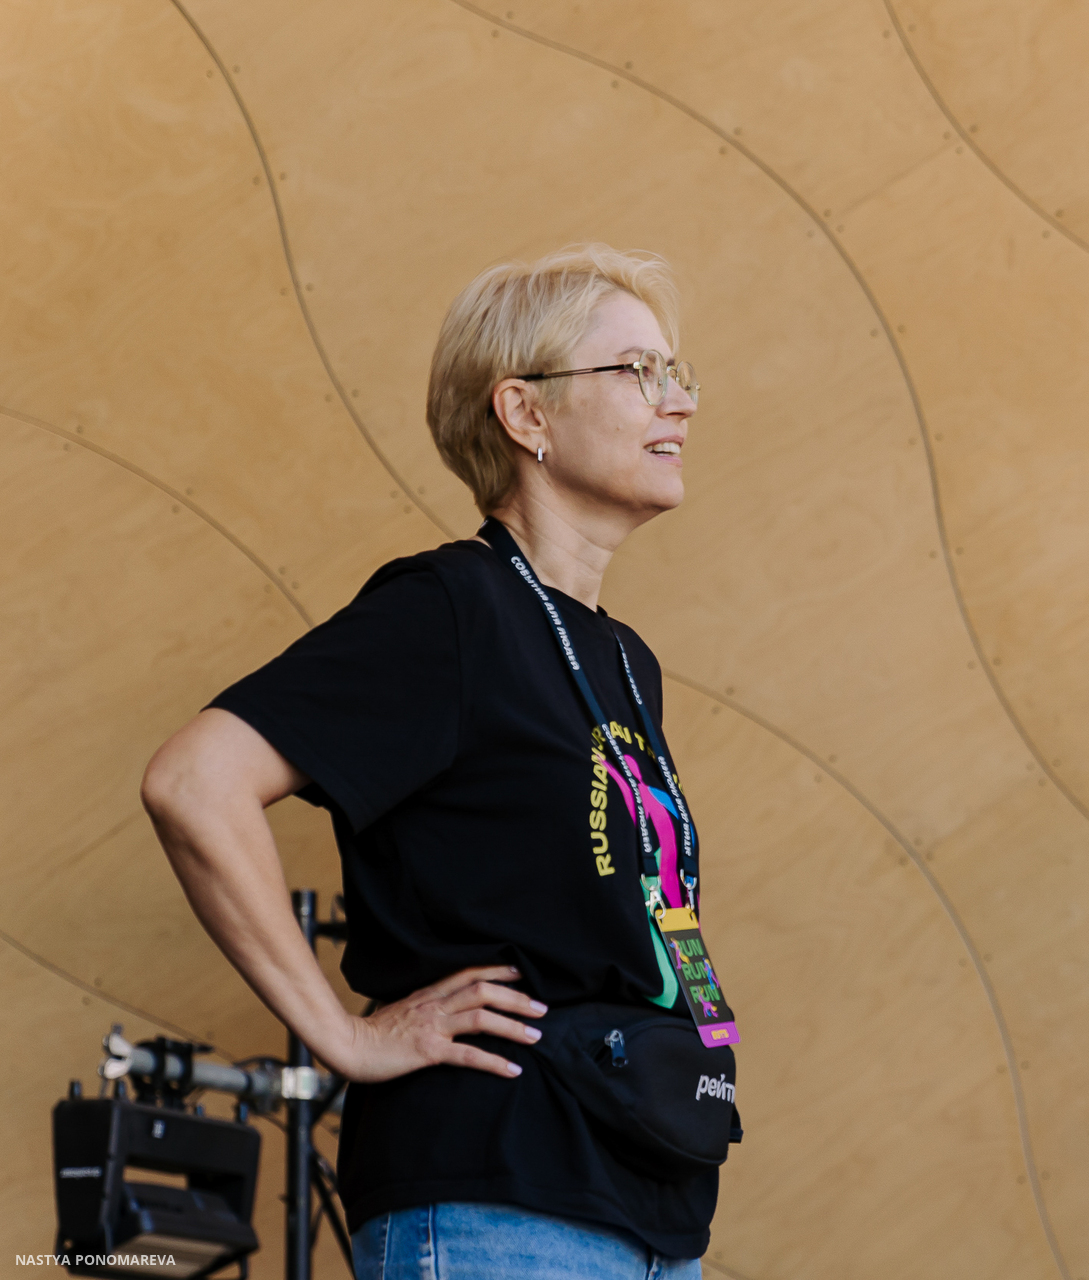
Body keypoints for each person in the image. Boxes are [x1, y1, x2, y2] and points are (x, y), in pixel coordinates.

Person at [141, 243, 719, 1279]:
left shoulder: (625, 660)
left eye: (677, 373)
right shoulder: (454, 607)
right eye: (639, 371)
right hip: (498, 1198)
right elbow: (196, 781)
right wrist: (343, 1037)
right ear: (526, 413)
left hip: (645, 1202)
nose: (676, 400)